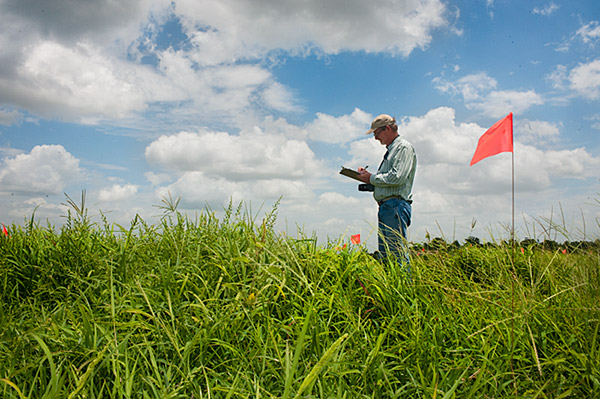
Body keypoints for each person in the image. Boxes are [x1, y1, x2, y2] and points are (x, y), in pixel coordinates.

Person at [357, 114, 417, 274]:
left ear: (388, 129)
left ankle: (404, 294)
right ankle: (392, 294)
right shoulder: (392, 150)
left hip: (395, 206)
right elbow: (388, 180)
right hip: (387, 207)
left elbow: (397, 177)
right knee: (387, 257)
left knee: (396, 255)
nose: (376, 138)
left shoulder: (402, 148)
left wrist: (371, 178)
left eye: (377, 133)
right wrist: (369, 178)